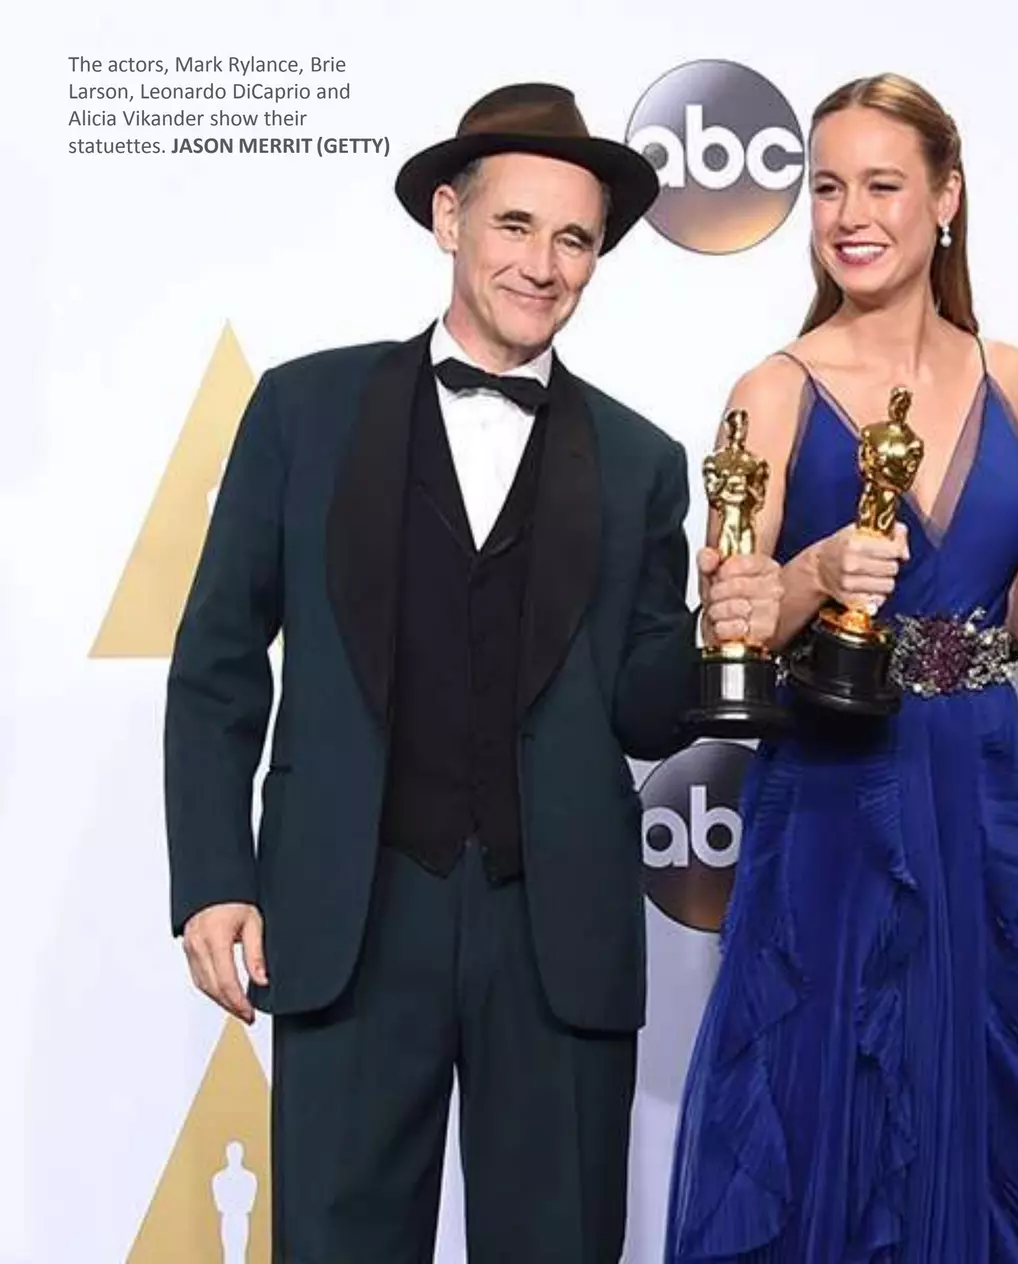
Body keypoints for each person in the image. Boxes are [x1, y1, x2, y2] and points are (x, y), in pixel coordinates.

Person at [163, 82, 782, 1261]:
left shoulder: (644, 462)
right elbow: (217, 661)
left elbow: (644, 710)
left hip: (557, 932)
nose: (543, 265)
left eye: (574, 239)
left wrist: (730, 632)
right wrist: (211, 875)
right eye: (514, 226)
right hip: (348, 911)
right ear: (449, 218)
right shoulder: (304, 408)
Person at [662, 73, 1018, 1264]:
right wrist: (809, 573)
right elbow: (723, 638)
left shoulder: (1014, 380)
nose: (851, 213)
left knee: (980, 1091)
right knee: (828, 1095)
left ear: (945, 199)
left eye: (883, 184)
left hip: (979, 784)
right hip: (838, 795)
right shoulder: (771, 390)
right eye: (826, 187)